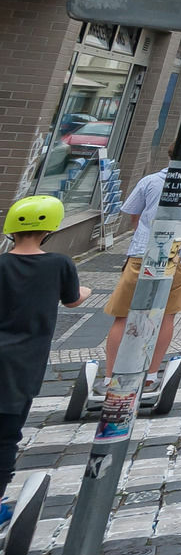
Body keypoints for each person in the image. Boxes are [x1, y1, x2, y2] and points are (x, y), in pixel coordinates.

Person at [0, 197, 89, 524]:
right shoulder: (60, 264)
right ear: (50, 228)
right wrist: (87, 292)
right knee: (6, 433)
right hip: (23, 364)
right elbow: (73, 300)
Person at [103, 161, 181, 388]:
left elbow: (134, 216)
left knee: (124, 315)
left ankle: (110, 376)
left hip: (143, 252)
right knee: (166, 315)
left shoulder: (150, 181)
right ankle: (151, 374)